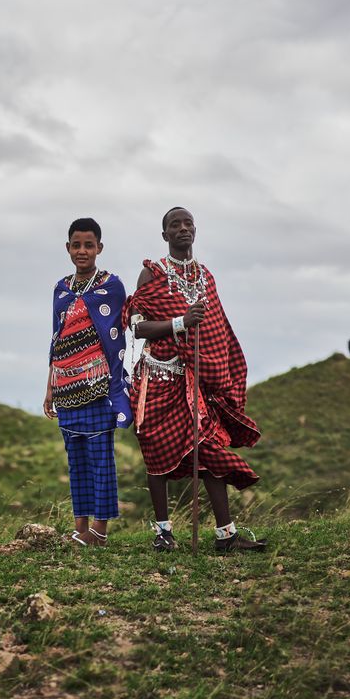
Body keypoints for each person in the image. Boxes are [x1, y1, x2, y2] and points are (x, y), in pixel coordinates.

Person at [124, 207, 265, 552]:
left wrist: (220, 368)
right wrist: (180, 322)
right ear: (165, 235)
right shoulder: (151, 274)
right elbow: (137, 326)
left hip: (194, 380)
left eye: (188, 224)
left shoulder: (206, 276)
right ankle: (163, 534)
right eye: (175, 225)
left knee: (209, 450)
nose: (183, 229)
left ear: (195, 231)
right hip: (158, 376)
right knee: (156, 453)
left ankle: (226, 536)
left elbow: (218, 329)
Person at [43, 218, 131, 547]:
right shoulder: (61, 289)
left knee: (101, 459)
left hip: (99, 388)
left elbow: (125, 327)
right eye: (76, 245)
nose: (82, 251)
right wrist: (50, 385)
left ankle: (99, 531)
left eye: (89, 245)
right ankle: (80, 528)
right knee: (76, 461)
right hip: (66, 387)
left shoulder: (112, 286)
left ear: (99, 248)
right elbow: (56, 340)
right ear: (68, 249)